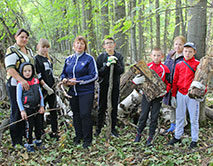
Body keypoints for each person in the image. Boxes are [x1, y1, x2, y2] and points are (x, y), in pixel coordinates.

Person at [60, 36, 98, 148]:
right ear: (73, 45)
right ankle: (78, 136)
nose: (79, 45)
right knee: (76, 115)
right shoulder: (68, 59)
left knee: (85, 114)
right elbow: (63, 74)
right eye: (77, 43)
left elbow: (94, 75)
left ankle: (87, 139)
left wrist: (79, 81)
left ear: (85, 46)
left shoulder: (89, 59)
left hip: (86, 91)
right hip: (73, 92)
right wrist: (64, 80)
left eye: (82, 44)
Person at [133, 48, 171, 146]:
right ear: (150, 56)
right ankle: (138, 134)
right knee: (143, 115)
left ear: (162, 56)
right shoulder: (147, 67)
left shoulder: (165, 69)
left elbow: (168, 82)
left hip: (158, 96)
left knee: (154, 117)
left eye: (158, 55)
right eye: (154, 55)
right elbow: (138, 79)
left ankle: (150, 137)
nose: (156, 57)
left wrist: (166, 91)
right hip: (147, 95)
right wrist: (136, 81)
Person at [167, 42, 200, 149]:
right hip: (180, 93)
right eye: (185, 51)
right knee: (180, 117)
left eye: (190, 51)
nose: (187, 53)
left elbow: (202, 80)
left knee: (194, 118)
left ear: (194, 52)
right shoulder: (179, 64)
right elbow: (175, 80)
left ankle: (194, 139)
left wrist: (202, 93)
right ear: (183, 51)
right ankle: (177, 136)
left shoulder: (198, 64)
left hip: (192, 95)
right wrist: (173, 95)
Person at [4, 28, 34, 146]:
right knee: (16, 110)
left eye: (26, 37)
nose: (24, 39)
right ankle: (15, 140)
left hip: (28, 85)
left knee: (25, 110)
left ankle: (23, 136)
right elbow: (10, 69)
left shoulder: (29, 51)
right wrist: (21, 80)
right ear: (16, 37)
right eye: (21, 37)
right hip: (15, 85)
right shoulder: (11, 50)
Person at [96, 37, 124, 137]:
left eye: (111, 43)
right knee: (101, 107)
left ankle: (112, 128)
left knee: (113, 108)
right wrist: (107, 65)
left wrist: (115, 63)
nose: (109, 45)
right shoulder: (101, 58)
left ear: (114, 44)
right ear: (104, 46)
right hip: (103, 86)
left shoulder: (119, 56)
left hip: (115, 86)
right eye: (107, 43)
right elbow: (99, 73)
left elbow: (121, 71)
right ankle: (99, 128)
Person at [16, 62, 45, 152]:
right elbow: (18, 99)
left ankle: (38, 141)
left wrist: (42, 106)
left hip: (37, 107)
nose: (27, 73)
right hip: (27, 108)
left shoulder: (36, 81)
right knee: (29, 126)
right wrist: (22, 110)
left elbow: (40, 95)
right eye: (25, 71)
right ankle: (29, 144)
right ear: (22, 72)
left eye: (29, 70)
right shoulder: (20, 84)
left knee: (39, 125)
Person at [34, 38, 59, 139]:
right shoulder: (37, 59)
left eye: (46, 47)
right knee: (41, 110)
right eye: (43, 47)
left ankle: (55, 131)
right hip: (43, 89)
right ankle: (40, 131)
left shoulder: (49, 59)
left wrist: (54, 85)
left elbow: (50, 74)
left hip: (52, 89)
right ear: (38, 47)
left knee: (53, 109)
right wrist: (45, 86)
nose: (45, 49)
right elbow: (38, 74)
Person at [162, 36, 187, 132]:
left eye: (180, 44)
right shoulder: (170, 55)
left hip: (180, 86)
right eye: (176, 44)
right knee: (171, 105)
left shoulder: (185, 56)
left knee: (180, 106)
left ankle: (182, 126)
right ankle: (173, 124)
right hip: (170, 85)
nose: (178, 46)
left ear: (184, 45)